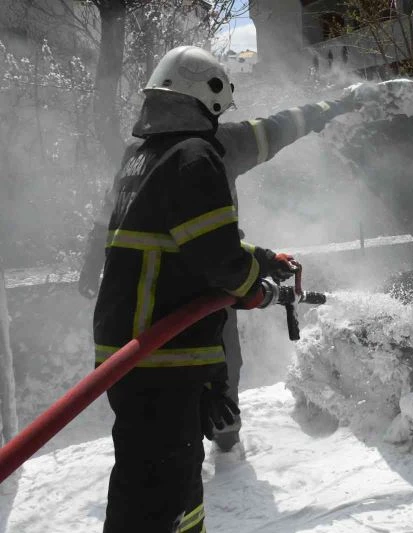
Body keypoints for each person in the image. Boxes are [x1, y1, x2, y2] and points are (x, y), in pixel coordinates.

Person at [85, 46, 375, 533]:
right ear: (210, 98)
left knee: (146, 480)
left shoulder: (139, 157)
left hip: (128, 349)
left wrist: (261, 259)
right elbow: (220, 261)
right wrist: (254, 286)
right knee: (164, 492)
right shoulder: (197, 155)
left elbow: (183, 236)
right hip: (163, 352)